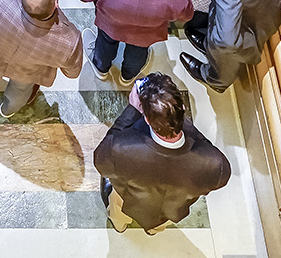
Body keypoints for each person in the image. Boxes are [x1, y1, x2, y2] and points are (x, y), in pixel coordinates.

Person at [92, 71, 231, 233]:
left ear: (147, 119)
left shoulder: (119, 149)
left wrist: (131, 110)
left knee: (118, 214)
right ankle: (152, 231)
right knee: (158, 225)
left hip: (129, 200)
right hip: (172, 210)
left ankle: (120, 226)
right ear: (183, 108)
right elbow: (219, 180)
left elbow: (100, 161)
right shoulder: (215, 164)